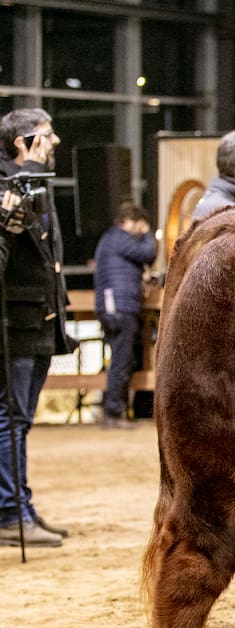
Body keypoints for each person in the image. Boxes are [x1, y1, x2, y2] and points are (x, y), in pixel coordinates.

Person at [0, 108, 76, 547]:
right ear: (23, 143)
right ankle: (10, 513)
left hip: (40, 319)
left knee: (20, 420)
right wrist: (26, 172)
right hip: (16, 319)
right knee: (10, 419)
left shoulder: (37, 185)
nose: (55, 143)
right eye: (46, 137)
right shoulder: (13, 183)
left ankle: (20, 505)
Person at [92, 203, 156, 429]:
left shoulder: (109, 240)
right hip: (121, 307)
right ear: (131, 222)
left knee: (120, 359)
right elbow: (148, 252)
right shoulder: (120, 238)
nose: (140, 233)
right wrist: (148, 233)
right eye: (139, 227)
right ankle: (113, 411)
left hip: (110, 306)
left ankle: (114, 408)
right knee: (122, 360)